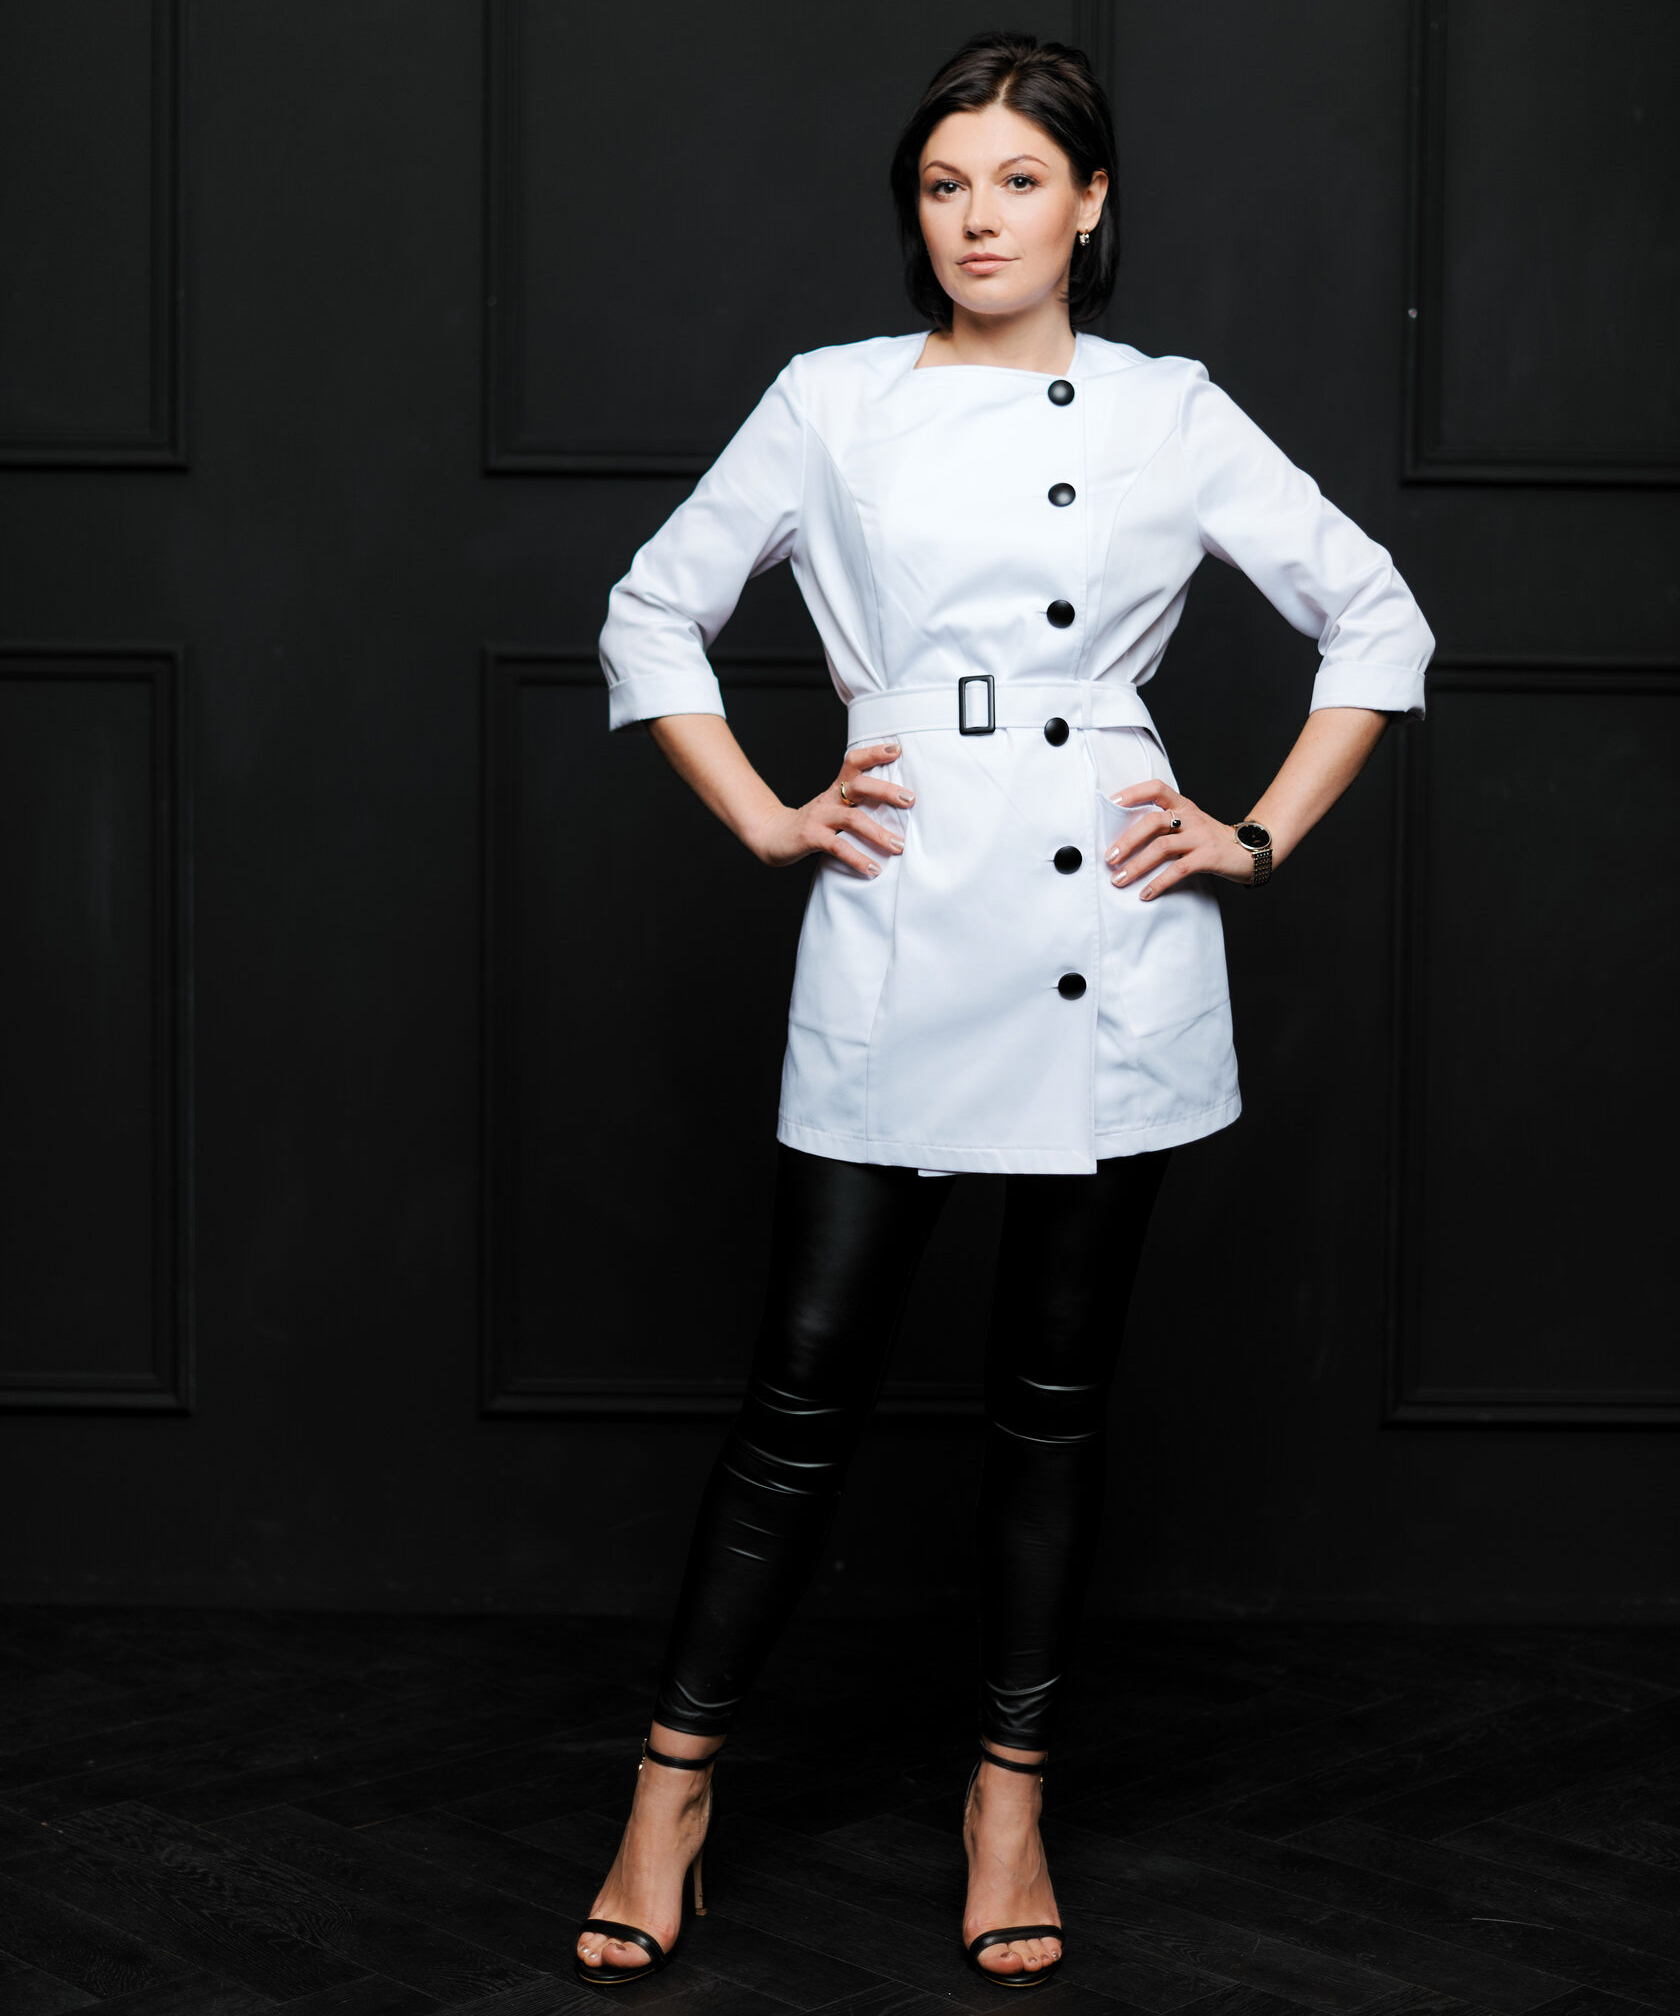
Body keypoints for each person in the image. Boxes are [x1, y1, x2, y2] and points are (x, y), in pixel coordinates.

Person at [574, 29, 1433, 1995]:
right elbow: (651, 608)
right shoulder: (834, 402)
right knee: (802, 1393)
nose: (978, 219)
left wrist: (1256, 835)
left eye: (1020, 181)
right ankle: (670, 1795)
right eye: (946, 184)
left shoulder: (1166, 412)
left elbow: (1376, 614)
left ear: (1091, 203)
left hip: (1109, 938)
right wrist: (770, 815)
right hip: (897, 907)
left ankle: (1009, 1798)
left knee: (1051, 1403)